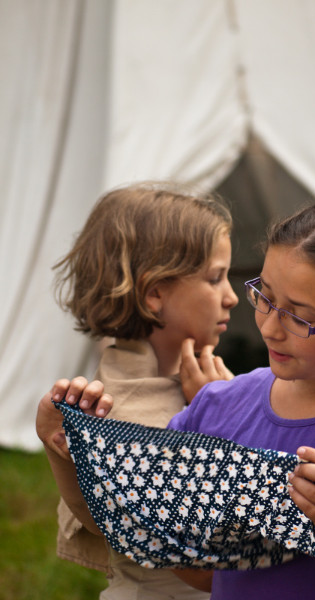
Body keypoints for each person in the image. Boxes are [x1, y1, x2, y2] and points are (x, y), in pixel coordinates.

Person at [42, 192, 315, 600]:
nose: (269, 328)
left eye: (299, 316)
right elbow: (196, 568)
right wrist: (71, 448)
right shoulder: (217, 407)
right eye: (265, 297)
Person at [37, 181, 238, 600]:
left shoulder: (204, 379)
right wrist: (221, 417)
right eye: (216, 278)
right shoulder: (119, 407)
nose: (232, 297)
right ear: (154, 294)